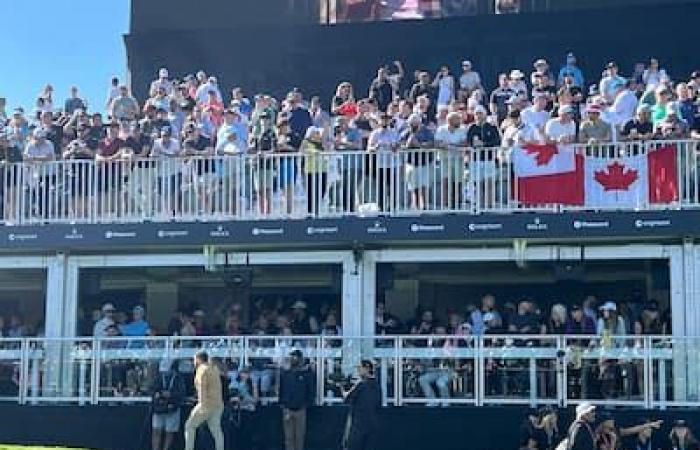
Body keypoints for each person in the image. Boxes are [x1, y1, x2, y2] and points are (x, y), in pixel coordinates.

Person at [184, 351, 225, 450]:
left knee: (189, 426)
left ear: (198, 359)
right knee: (216, 430)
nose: (194, 361)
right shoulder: (214, 369)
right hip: (218, 404)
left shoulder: (201, 369)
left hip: (206, 403)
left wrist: (202, 404)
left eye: (194, 359)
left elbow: (202, 386)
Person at [279, 349, 315, 450]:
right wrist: (283, 404)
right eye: (291, 357)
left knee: (299, 437)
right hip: (287, 409)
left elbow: (311, 390)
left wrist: (307, 404)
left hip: (301, 409)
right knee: (288, 437)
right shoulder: (285, 374)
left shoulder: (306, 374)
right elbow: (281, 389)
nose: (293, 359)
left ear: (300, 359)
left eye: (295, 357)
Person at [342, 359, 381, 450]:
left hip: (358, 426)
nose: (358, 371)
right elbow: (378, 405)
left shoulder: (361, 384)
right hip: (373, 425)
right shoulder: (377, 386)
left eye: (360, 368)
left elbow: (347, 398)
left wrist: (342, 388)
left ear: (367, 369)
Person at [151, 360, 186, 450]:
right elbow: (152, 389)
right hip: (158, 408)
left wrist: (171, 394)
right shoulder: (158, 377)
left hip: (172, 408)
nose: (164, 373)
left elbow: (182, 393)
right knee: (156, 430)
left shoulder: (178, 378)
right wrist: (157, 394)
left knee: (169, 432)